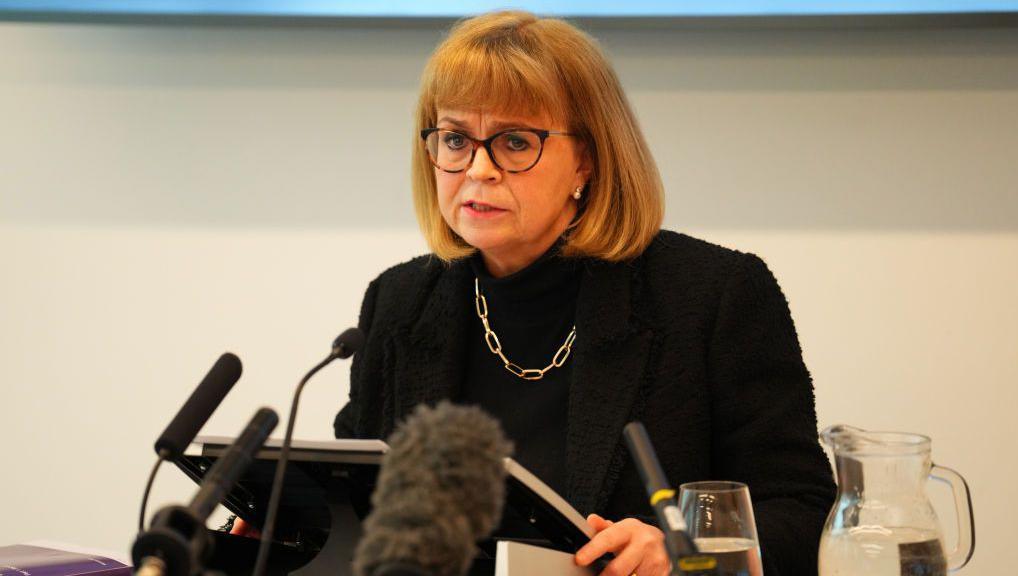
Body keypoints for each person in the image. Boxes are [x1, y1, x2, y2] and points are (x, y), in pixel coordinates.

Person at [333, 10, 836, 576]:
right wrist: (282, 530)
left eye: (515, 141)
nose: (478, 169)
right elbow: (356, 502)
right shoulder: (399, 301)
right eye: (454, 139)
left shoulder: (712, 297)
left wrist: (685, 550)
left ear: (588, 161)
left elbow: (802, 512)